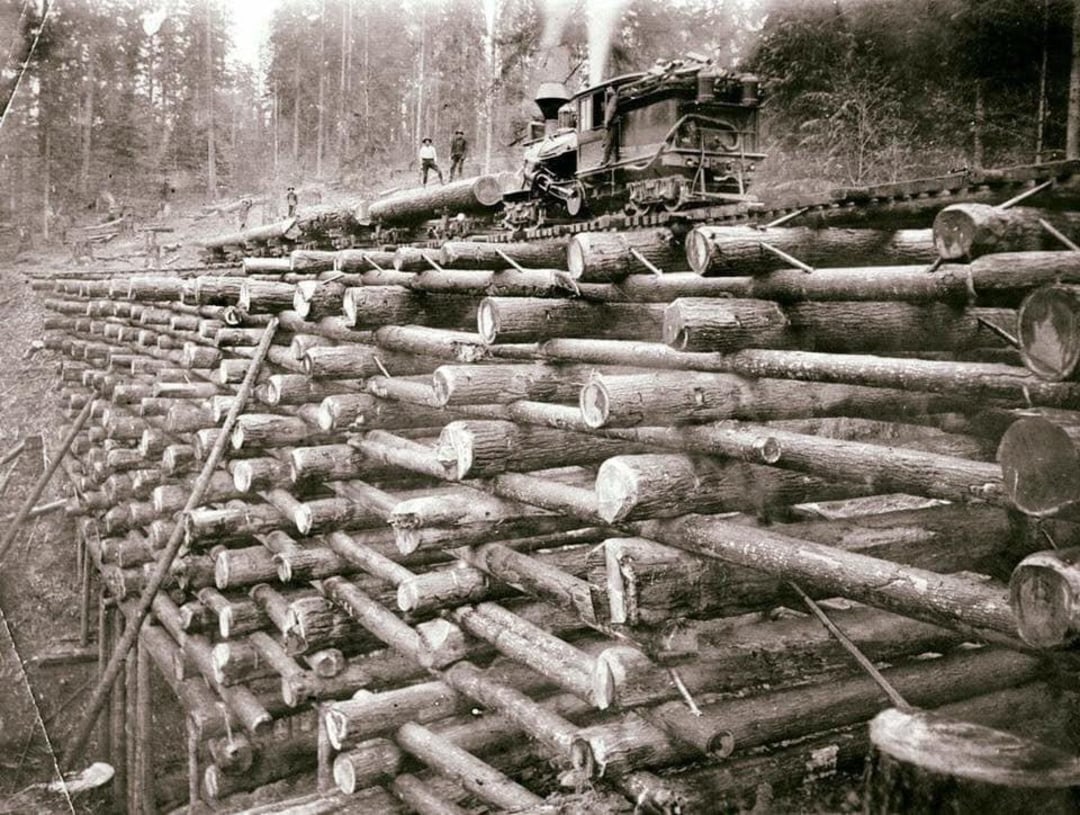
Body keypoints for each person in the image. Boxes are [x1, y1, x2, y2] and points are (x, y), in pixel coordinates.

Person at [602, 85, 619, 165]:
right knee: (611, 142)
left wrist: (607, 122)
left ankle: (606, 160)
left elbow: (611, 111)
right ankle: (612, 159)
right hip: (612, 122)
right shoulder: (613, 99)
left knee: (609, 141)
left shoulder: (613, 99)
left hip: (612, 123)